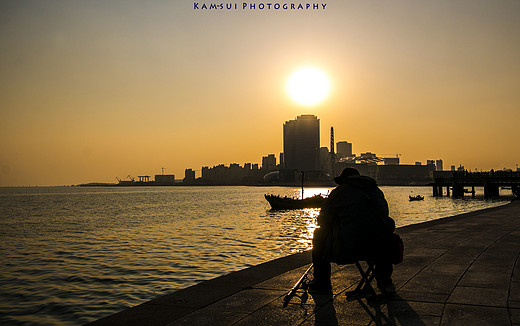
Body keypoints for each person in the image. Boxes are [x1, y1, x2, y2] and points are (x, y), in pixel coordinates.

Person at [310, 167, 396, 295]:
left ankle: (322, 283)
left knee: (319, 235)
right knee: (383, 235)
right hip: (380, 248)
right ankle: (385, 280)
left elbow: (323, 220)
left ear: (343, 180)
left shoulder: (340, 192)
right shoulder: (376, 191)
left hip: (350, 247)